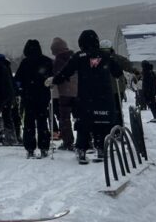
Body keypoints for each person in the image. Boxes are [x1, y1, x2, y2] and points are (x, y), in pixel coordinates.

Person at [48, 30, 123, 165]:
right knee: (101, 121)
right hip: (104, 96)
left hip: (86, 96)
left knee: (84, 123)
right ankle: (101, 148)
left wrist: (54, 80)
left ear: (81, 43)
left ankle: (82, 149)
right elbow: (118, 72)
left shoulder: (79, 56)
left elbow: (66, 72)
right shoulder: (106, 56)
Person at [14, 39, 54, 157]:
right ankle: (44, 147)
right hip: (43, 96)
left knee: (29, 123)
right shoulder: (47, 61)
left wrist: (20, 89)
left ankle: (30, 148)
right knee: (42, 122)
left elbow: (17, 79)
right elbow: (52, 77)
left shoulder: (25, 62)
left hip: (28, 96)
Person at [50, 37, 77, 151]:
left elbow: (58, 77)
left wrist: (53, 80)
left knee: (64, 118)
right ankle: (86, 140)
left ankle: (68, 142)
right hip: (78, 92)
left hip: (64, 93)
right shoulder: (75, 57)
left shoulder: (58, 60)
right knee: (80, 117)